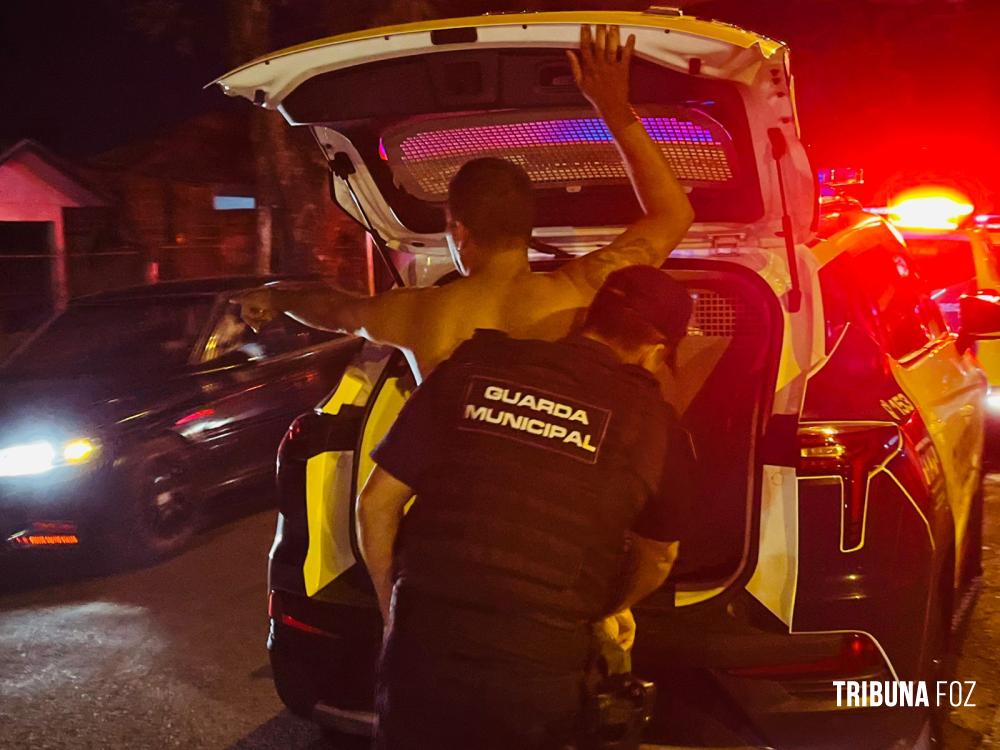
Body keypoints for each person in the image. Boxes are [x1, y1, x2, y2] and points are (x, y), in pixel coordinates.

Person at [232, 24, 694, 383]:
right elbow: (674, 214)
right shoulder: (583, 290)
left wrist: (276, 297)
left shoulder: (417, 313)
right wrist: (613, 107)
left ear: (460, 231)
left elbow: (336, 311)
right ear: (525, 228)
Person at [356, 265, 696, 750]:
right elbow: (659, 557)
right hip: (538, 673)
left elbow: (375, 504)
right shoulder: (656, 426)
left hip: (424, 648)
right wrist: (610, 607)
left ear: (588, 317)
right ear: (656, 351)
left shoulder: (472, 366)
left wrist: (393, 613)